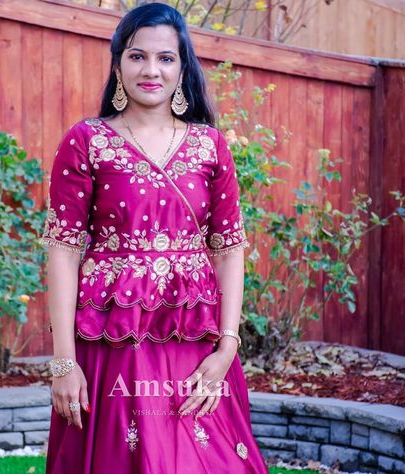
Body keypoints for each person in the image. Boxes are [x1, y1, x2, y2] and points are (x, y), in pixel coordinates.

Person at [41, 3, 268, 473]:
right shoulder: (87, 140)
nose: (151, 70)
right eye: (137, 56)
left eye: (166, 58)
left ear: (182, 67)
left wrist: (227, 350)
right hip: (113, 341)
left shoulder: (210, 146)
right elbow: (63, 251)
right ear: (118, 64)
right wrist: (64, 363)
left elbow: (229, 250)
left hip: (196, 343)